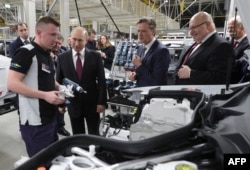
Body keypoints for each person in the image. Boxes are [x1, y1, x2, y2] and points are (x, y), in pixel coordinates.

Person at [7, 16, 65, 157]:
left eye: (56, 34)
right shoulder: (26, 52)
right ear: (39, 32)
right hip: (35, 123)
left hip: (50, 119)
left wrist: (60, 88)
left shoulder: (46, 54)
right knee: (40, 162)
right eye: (52, 34)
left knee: (53, 160)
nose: (55, 38)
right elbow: (12, 83)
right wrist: (45, 95)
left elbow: (48, 79)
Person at [56, 26, 106, 135]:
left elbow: (102, 81)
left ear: (86, 40)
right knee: (78, 135)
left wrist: (101, 102)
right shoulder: (62, 58)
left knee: (94, 134)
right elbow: (59, 82)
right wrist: (61, 104)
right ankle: (80, 152)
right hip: (73, 104)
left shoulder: (95, 56)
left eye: (80, 40)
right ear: (70, 38)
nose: (77, 43)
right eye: (74, 39)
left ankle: (96, 152)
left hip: (92, 104)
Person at [175, 11, 234, 85]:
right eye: (190, 29)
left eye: (193, 27)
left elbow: (220, 78)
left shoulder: (222, 46)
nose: (190, 32)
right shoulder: (197, 42)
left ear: (208, 25)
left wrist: (191, 74)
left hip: (197, 95)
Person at [128, 17, 171, 87]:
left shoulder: (162, 51)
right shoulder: (141, 48)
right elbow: (143, 72)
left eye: (143, 31)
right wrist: (135, 75)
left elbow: (157, 82)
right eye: (138, 31)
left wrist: (139, 66)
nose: (140, 34)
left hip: (153, 95)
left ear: (153, 31)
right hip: (141, 93)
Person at [50, 32, 71, 136]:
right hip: (49, 85)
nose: (58, 46)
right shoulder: (45, 52)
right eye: (56, 43)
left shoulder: (61, 52)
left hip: (60, 82)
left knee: (61, 105)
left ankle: (60, 126)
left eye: (60, 44)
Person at [227, 15, 250, 83]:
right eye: (228, 28)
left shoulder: (248, 43)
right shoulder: (229, 42)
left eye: (232, 27)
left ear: (242, 27)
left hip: (237, 82)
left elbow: (240, 63)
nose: (230, 30)